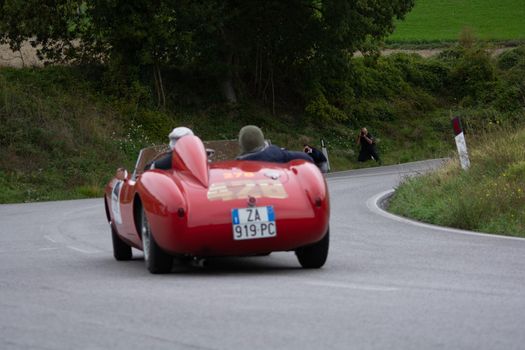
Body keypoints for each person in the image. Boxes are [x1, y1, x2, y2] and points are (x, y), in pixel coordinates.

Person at [236, 125, 313, 163]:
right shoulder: (276, 153)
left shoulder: (239, 165)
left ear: (241, 144)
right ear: (262, 140)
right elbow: (305, 157)